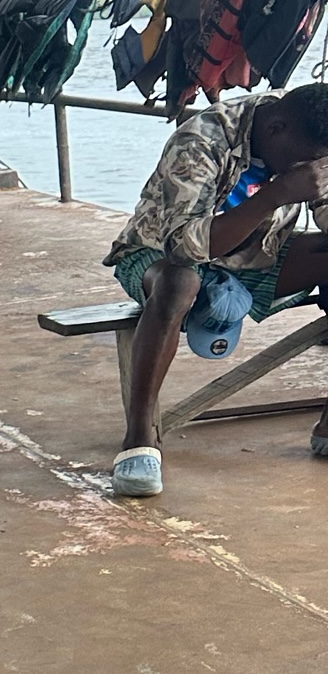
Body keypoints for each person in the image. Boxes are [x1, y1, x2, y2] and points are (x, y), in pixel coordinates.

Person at [105, 83, 328, 497]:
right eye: (305, 164)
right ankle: (140, 437)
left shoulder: (311, 140)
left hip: (258, 253)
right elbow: (185, 245)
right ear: (277, 128)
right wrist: (279, 192)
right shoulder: (202, 138)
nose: (311, 172)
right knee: (179, 282)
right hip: (158, 254)